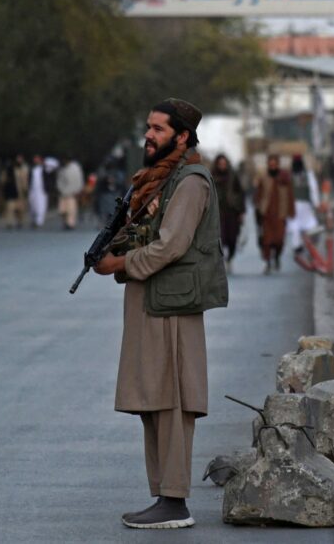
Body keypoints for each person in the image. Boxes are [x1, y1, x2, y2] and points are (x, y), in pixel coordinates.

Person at [93, 98, 227, 530]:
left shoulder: (190, 182)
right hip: (152, 302)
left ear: (182, 136)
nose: (148, 136)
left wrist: (119, 263)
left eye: (158, 129)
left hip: (171, 306)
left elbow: (172, 246)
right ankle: (164, 497)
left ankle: (174, 500)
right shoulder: (159, 179)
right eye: (148, 128)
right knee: (153, 401)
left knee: (172, 401)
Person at [253, 154, 294, 274]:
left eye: (274, 164)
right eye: (270, 164)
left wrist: (291, 211)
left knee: (279, 240)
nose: (272, 166)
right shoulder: (264, 178)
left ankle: (276, 257)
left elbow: (290, 195)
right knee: (267, 241)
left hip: (280, 214)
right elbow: (259, 194)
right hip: (267, 214)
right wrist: (258, 206)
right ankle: (268, 263)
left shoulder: (284, 179)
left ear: (277, 164)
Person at [212, 154, 246, 272]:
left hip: (232, 211)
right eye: (220, 164)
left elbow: (240, 193)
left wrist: (241, 211)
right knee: (221, 238)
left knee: (232, 239)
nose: (222, 166)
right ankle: (222, 260)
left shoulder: (233, 176)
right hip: (218, 212)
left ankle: (230, 258)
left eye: (224, 163)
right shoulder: (212, 176)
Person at [287, 154, 320, 260]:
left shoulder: (289, 176)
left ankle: (297, 247)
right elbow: (313, 190)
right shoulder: (308, 175)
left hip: (293, 205)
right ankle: (310, 246)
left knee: (294, 226)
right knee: (310, 225)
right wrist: (316, 203)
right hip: (305, 204)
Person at [1, 154, 28, 229]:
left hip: (20, 193)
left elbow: (25, 181)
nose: (19, 160)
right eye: (18, 159)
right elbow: (3, 180)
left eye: (21, 159)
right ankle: (9, 222)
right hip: (11, 192)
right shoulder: (8, 169)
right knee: (10, 208)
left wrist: (25, 189)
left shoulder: (24, 169)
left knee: (20, 209)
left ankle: (20, 222)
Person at [56, 157, 83, 230]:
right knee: (62, 210)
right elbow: (59, 180)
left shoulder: (76, 168)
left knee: (71, 210)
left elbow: (79, 180)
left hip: (72, 193)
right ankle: (65, 222)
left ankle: (70, 224)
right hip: (63, 192)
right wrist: (60, 188)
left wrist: (78, 190)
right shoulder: (62, 169)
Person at [28, 155, 48, 228]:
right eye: (35, 160)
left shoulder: (44, 169)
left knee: (41, 205)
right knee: (33, 205)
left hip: (41, 190)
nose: (36, 161)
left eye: (37, 160)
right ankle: (34, 220)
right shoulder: (31, 169)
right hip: (33, 190)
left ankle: (39, 221)